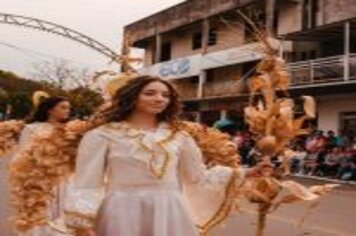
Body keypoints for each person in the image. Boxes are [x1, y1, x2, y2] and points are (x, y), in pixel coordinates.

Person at [64, 75, 259, 236]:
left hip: (169, 209)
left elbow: (197, 177)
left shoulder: (178, 135)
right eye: (150, 93)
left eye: (166, 95)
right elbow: (87, 182)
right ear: (131, 97)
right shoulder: (102, 134)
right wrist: (83, 221)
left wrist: (248, 172)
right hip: (121, 210)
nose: (160, 99)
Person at [12, 96, 71, 236]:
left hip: (63, 178)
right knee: (40, 212)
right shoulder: (32, 128)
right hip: (38, 180)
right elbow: (22, 155)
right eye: (63, 107)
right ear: (50, 110)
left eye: (69, 108)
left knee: (61, 211)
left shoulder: (70, 131)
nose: (68, 111)